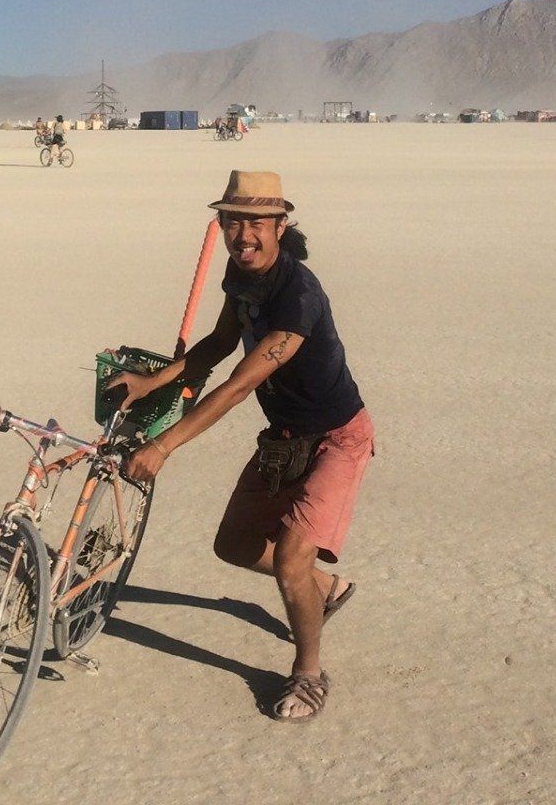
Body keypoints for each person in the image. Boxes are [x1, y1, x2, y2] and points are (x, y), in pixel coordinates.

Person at [108, 170, 373, 723]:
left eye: (256, 223)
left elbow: (239, 384)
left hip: (336, 437)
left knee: (291, 562)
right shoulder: (241, 275)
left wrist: (163, 447)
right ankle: (325, 590)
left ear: (280, 226)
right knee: (233, 545)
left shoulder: (298, 296)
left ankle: (308, 673)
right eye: (233, 221)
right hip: (283, 437)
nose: (243, 235)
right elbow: (220, 343)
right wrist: (151, 382)